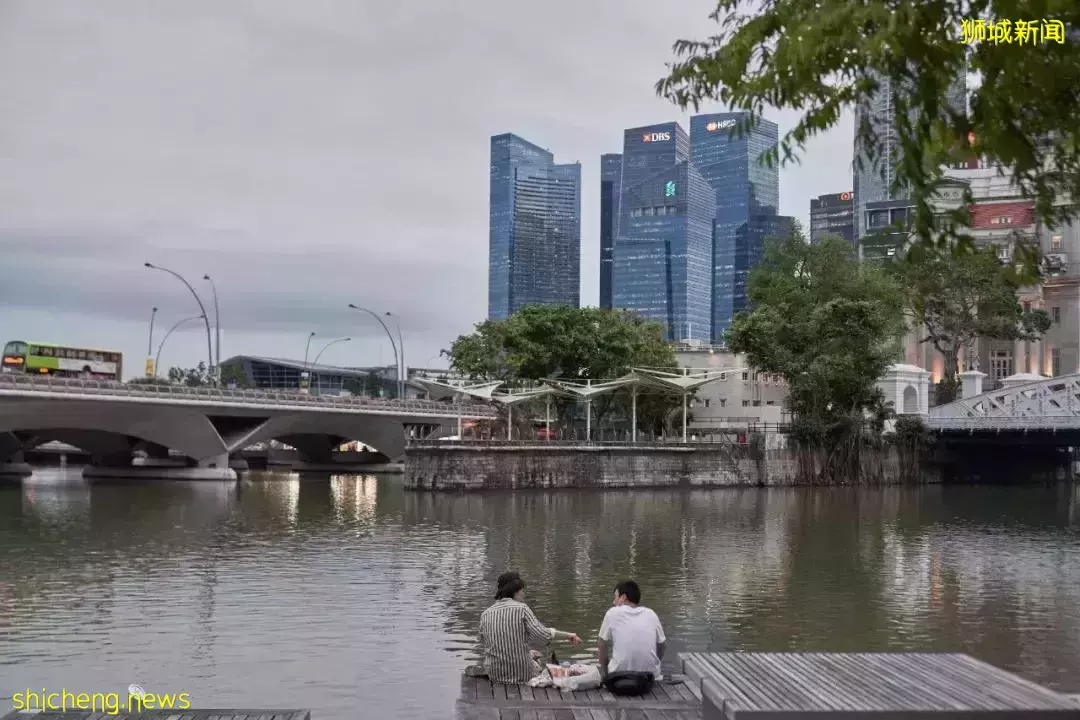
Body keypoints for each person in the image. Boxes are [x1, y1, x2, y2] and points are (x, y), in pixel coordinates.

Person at [479, 575, 582, 684]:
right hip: (521, 674)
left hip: (494, 674)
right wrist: (569, 635)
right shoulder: (522, 608)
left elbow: (487, 642)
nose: (523, 594)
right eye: (522, 590)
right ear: (516, 591)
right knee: (539, 660)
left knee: (531, 653)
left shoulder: (485, 614)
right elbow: (542, 634)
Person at [597, 580, 666, 684]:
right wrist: (655, 662)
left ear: (623, 597)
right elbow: (662, 645)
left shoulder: (613, 613)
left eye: (615, 597)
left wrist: (604, 674)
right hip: (650, 678)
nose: (613, 602)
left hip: (618, 677)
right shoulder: (651, 614)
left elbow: (601, 644)